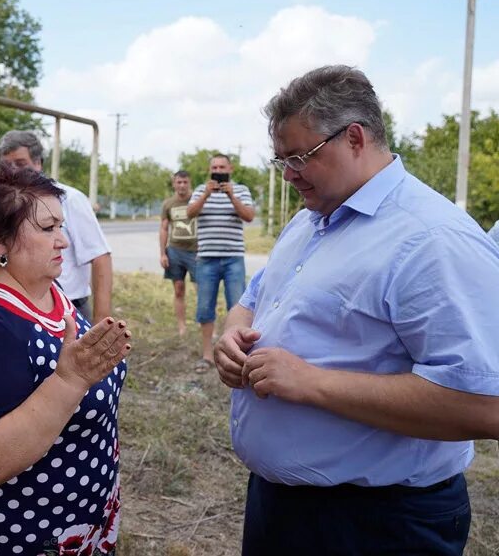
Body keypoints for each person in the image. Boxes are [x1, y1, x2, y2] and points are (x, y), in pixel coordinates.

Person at [214, 65, 499, 556]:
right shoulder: (310, 221)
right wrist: (233, 334)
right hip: (282, 506)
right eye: (280, 159)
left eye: (300, 156)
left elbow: (485, 404)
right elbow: (254, 300)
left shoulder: (433, 240)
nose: (288, 173)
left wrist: (313, 382)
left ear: (354, 138)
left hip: (379, 524)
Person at [0, 163, 130, 555]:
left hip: (78, 518)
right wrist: (70, 381)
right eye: (47, 228)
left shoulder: (50, 293)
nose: (64, 242)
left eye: (62, 226)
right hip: (16, 533)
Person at [0, 130, 113, 321]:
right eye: (6, 165)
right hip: (16, 308)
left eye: (20, 164)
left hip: (68, 310)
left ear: (38, 163)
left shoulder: (69, 199)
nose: (13, 171)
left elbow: (100, 257)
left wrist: (101, 324)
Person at [187, 154, 254, 372]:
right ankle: (207, 355)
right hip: (207, 258)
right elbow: (189, 213)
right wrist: (206, 194)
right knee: (205, 307)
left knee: (238, 306)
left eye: (222, 167)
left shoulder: (241, 190)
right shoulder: (200, 189)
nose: (218, 170)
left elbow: (249, 216)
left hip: (233, 257)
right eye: (215, 167)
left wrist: (232, 196)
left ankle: (236, 354)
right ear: (210, 170)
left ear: (230, 169)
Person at [159, 170, 197, 339]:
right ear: (174, 184)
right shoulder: (168, 204)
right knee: (179, 289)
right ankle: (181, 326)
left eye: (185, 182)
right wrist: (163, 253)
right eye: (179, 182)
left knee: (202, 290)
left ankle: (204, 324)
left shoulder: (197, 200)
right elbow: (164, 228)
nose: (182, 185)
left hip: (197, 252)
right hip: (175, 251)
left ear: (190, 183)